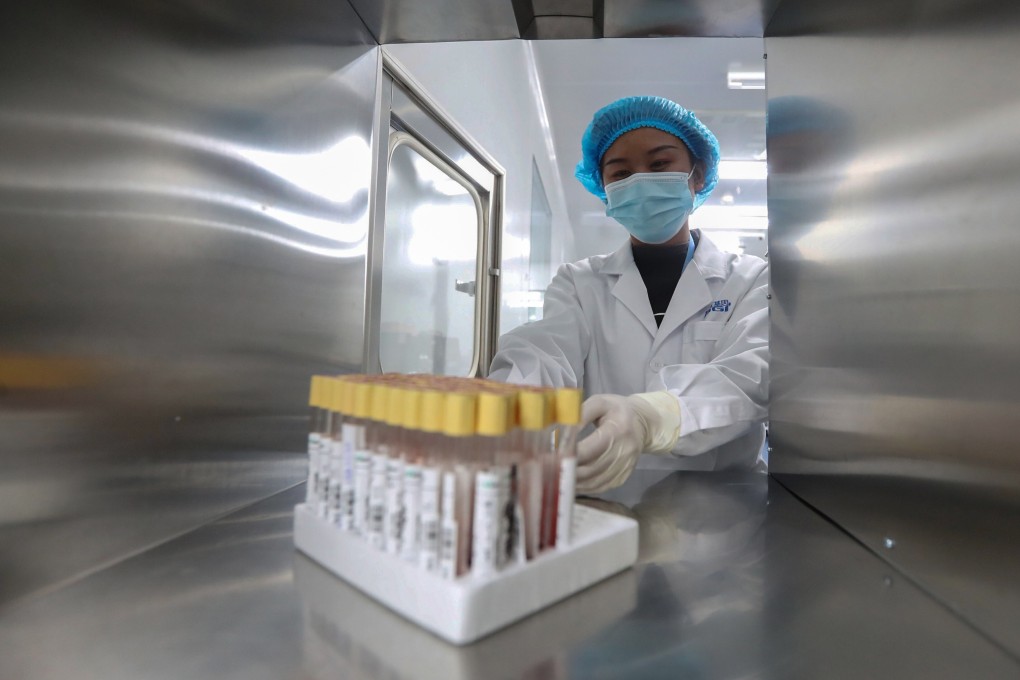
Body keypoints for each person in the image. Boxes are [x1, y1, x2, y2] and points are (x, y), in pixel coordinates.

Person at [489, 95, 769, 494]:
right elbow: (544, 351)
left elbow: (753, 375)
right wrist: (508, 404)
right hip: (604, 497)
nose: (639, 182)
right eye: (620, 174)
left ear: (697, 174)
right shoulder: (579, 282)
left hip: (724, 504)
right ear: (604, 191)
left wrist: (652, 416)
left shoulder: (750, 279)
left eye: (659, 165)